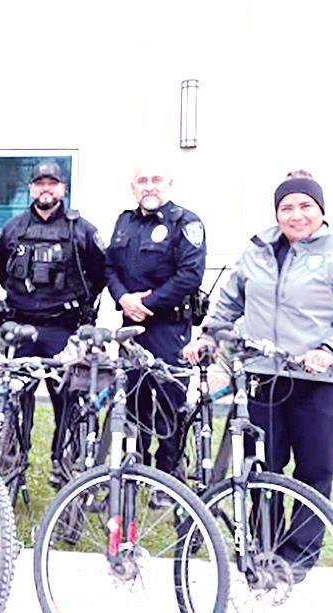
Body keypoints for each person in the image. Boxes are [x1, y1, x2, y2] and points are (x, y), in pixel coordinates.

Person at [182, 170, 333, 579]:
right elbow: (229, 302)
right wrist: (208, 337)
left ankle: (298, 557)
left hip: (319, 380)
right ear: (276, 213)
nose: (296, 215)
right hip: (263, 376)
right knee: (260, 468)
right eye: (287, 207)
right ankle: (261, 550)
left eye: (305, 206)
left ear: (321, 210)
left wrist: (329, 351)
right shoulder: (257, 250)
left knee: (313, 472)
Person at [0, 160, 105, 485]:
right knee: (15, 401)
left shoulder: (83, 230)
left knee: (69, 404)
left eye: (52, 184)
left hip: (64, 330)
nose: (46, 189)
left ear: (63, 189)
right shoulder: (13, 229)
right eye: (40, 184)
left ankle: (66, 470)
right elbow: (2, 272)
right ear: (31, 189)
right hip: (22, 330)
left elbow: (99, 274)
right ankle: (11, 469)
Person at [105, 162, 206, 471]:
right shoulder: (125, 222)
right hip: (131, 328)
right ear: (133, 187)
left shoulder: (185, 222)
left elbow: (190, 275)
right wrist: (123, 298)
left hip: (168, 328)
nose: (149, 186)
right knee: (132, 402)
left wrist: (146, 303)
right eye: (142, 181)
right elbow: (109, 267)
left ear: (169, 184)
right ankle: (135, 470)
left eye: (156, 179)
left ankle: (169, 475)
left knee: (169, 403)